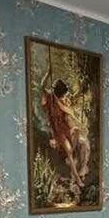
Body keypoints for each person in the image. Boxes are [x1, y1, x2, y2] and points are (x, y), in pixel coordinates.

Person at [40, 61, 92, 194]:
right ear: (59, 93)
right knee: (69, 151)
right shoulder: (50, 98)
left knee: (77, 135)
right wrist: (48, 73)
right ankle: (77, 179)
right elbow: (42, 86)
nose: (64, 97)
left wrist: (76, 126)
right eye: (63, 95)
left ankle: (79, 172)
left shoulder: (62, 103)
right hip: (58, 132)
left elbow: (69, 116)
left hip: (65, 129)